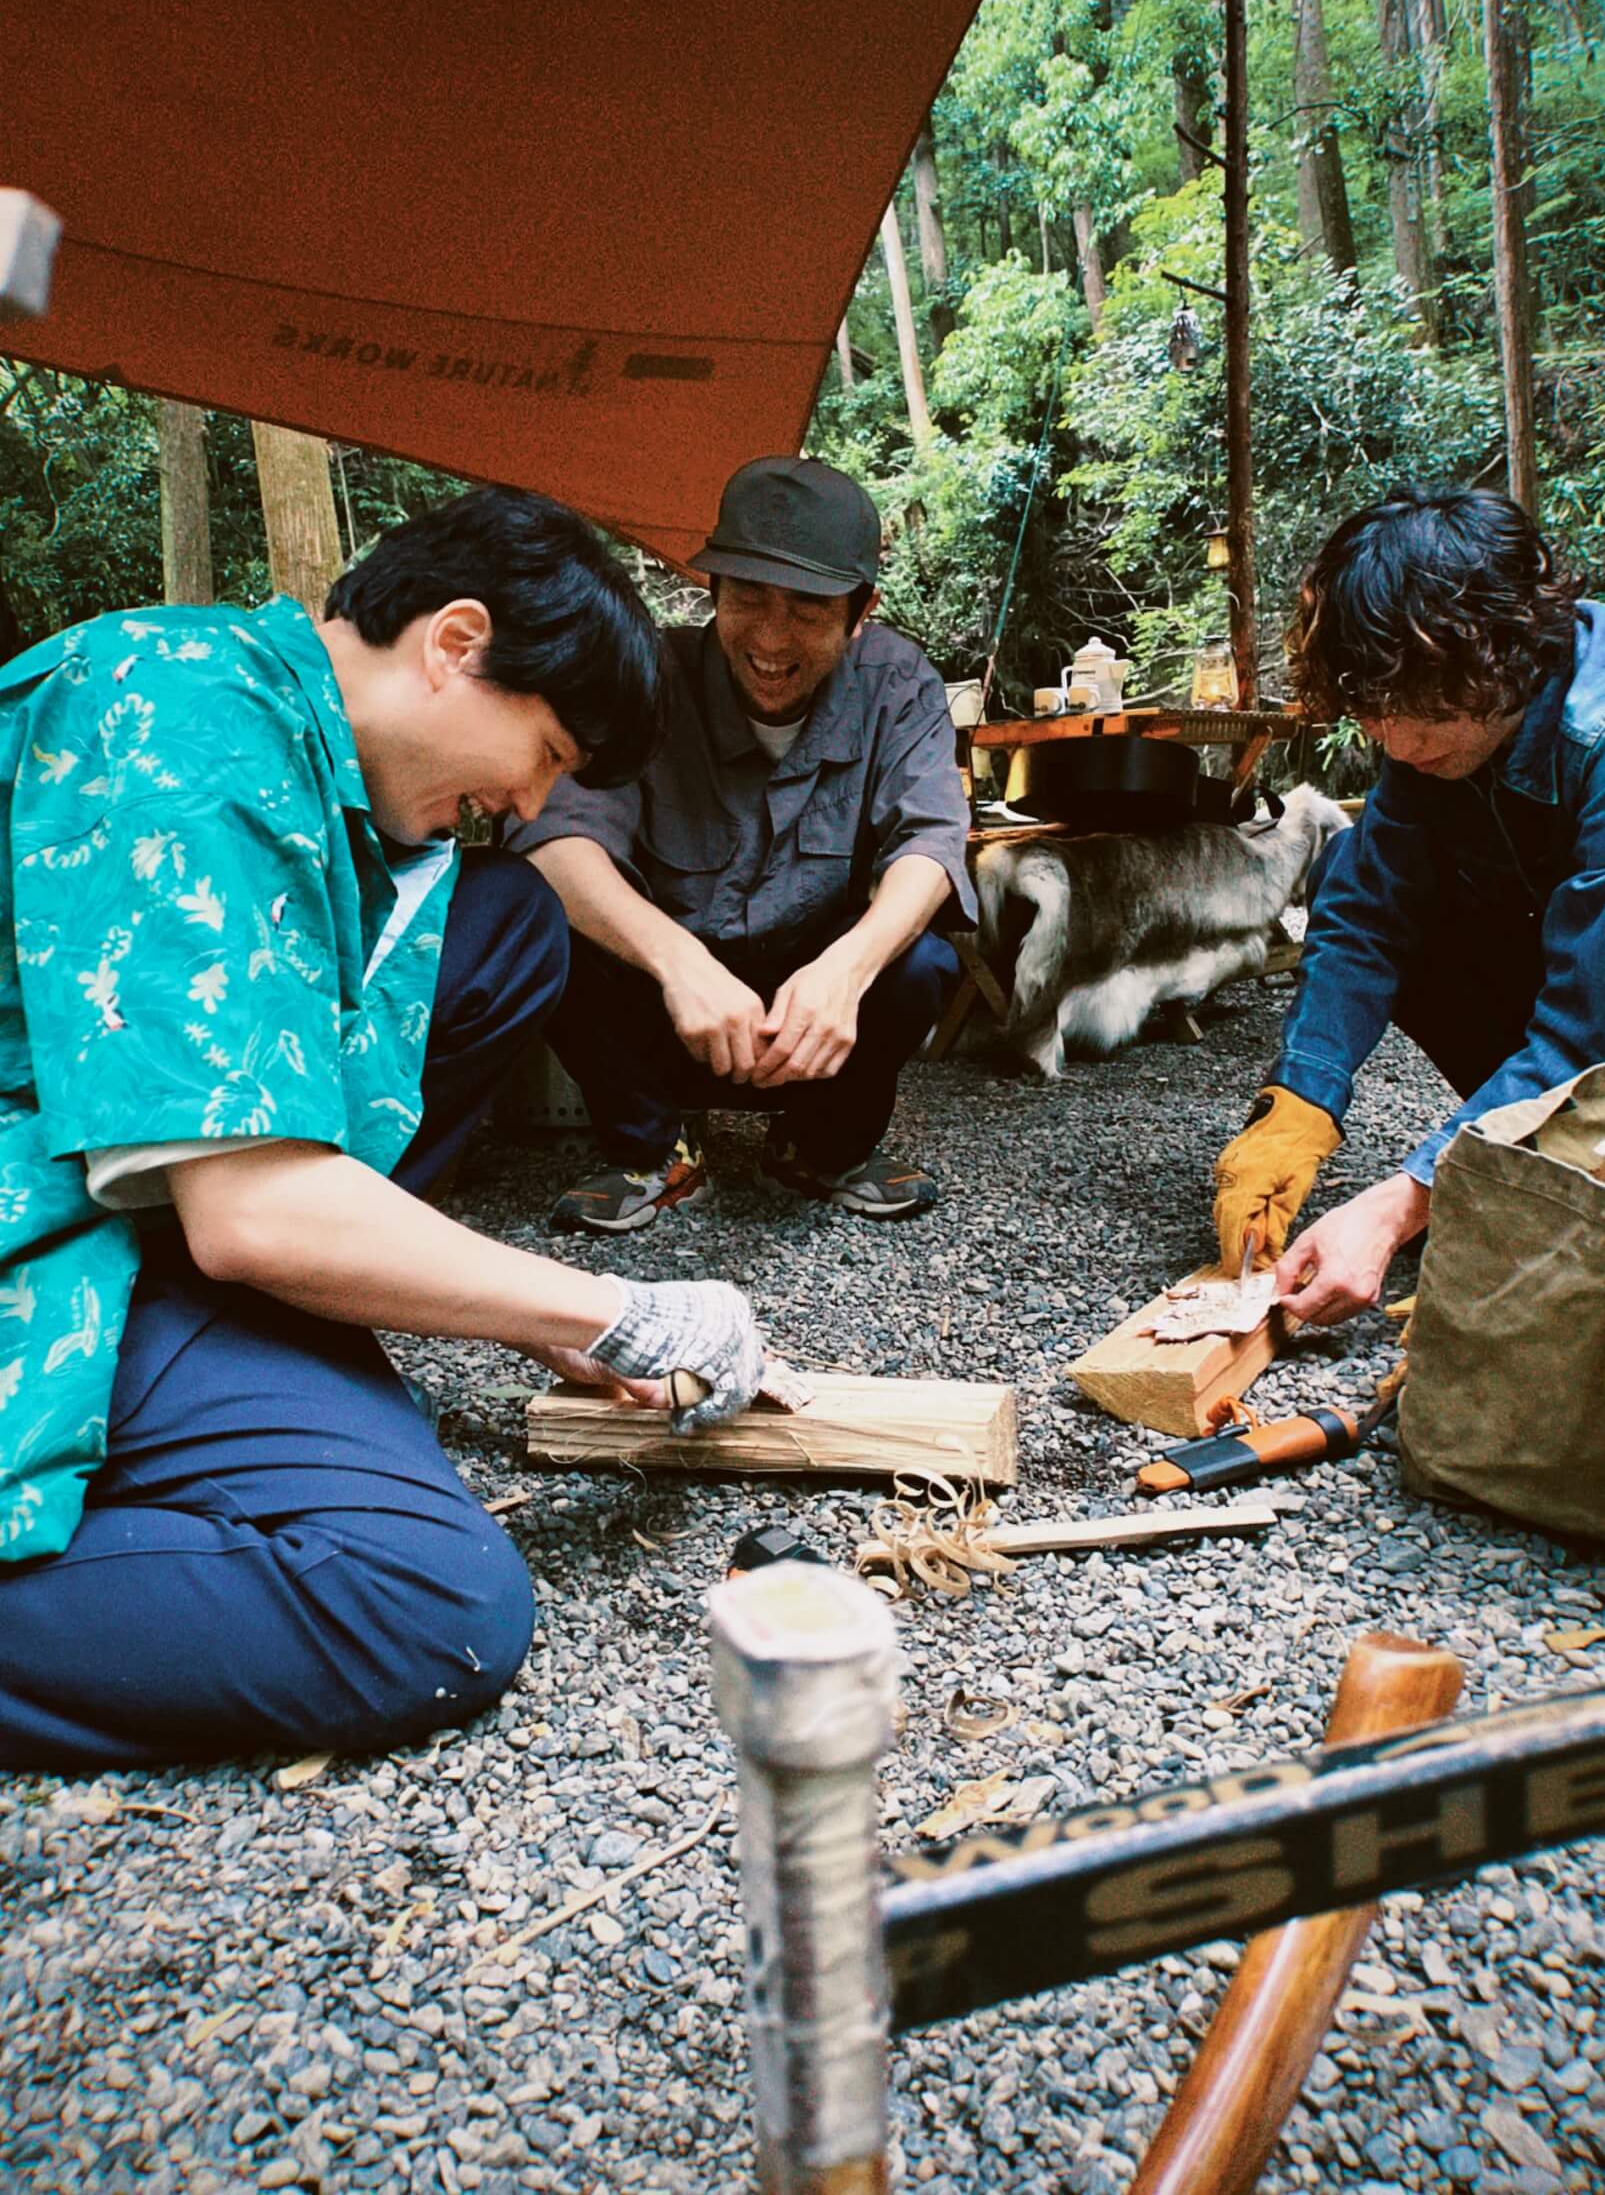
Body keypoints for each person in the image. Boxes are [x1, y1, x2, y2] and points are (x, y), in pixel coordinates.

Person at [0, 485, 767, 1774]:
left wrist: (520, 1305)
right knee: (416, 1602)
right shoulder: (179, 707)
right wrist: (605, 1308)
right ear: (455, 644)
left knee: (509, 915)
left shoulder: (318, 777)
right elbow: (256, 1209)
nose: (530, 803)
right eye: (548, 754)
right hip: (53, 1236)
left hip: (124, 1231)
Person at [512, 456, 974, 1229]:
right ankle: (653, 1149)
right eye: (747, 597)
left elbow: (930, 841)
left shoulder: (898, 683)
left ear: (862, 611)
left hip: (815, 1023)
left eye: (806, 608)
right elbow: (555, 839)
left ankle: (819, 1150)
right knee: (543, 921)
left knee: (922, 960)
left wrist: (845, 970)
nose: (770, 636)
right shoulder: (646, 678)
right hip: (664, 1008)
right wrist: (676, 961)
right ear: (710, 591)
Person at [1212, 484, 1605, 1326]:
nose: (1394, 745)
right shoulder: (1439, 714)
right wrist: (1298, 1106)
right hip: (1571, 984)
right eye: (1372, 716)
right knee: (1349, 870)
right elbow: (1366, 919)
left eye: (1418, 715)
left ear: (1503, 655)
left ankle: (1560, 1166)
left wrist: (1405, 1199)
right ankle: (1529, 1157)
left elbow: (1589, 1026)